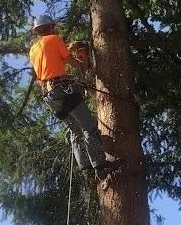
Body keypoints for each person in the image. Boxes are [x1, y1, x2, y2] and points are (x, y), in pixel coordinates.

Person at [28, 15, 117, 178]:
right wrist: (83, 62)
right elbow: (73, 63)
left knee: (75, 130)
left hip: (49, 96)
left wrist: (69, 47)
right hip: (62, 90)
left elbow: (51, 61)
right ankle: (100, 166)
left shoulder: (33, 50)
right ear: (51, 27)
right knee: (88, 125)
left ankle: (85, 167)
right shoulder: (54, 39)